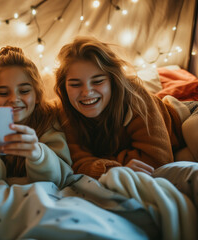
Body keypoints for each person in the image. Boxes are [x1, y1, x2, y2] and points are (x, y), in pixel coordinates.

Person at [54, 36, 198, 179]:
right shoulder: (65, 111)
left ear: (113, 81)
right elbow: (78, 163)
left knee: (191, 131)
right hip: (173, 148)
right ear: (64, 87)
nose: (87, 92)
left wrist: (105, 161)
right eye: (75, 84)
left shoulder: (135, 98)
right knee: (180, 164)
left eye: (98, 81)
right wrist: (113, 169)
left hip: (186, 116)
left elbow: (157, 159)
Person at [0, 46, 73, 188]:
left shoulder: (48, 120)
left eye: (24, 91)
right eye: (3, 93)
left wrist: (38, 155)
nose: (14, 99)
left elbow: (62, 176)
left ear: (36, 95)